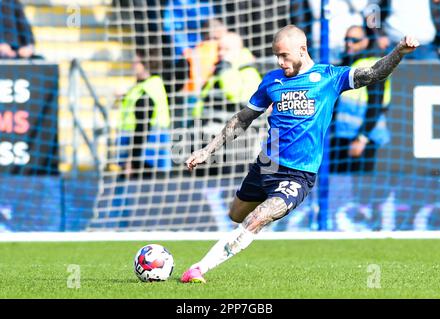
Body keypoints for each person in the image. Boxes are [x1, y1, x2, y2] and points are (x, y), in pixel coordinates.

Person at [180, 24, 419, 283]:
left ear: (302, 50)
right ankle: (251, 218)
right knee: (235, 214)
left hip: (298, 174)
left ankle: (198, 269)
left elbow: (373, 73)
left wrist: (399, 51)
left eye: (284, 55)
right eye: (276, 56)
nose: (280, 62)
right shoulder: (272, 80)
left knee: (256, 219)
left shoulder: (329, 76)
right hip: (267, 165)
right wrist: (208, 149)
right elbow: (243, 118)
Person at [330, 25, 391, 173]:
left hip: (364, 138)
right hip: (343, 135)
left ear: (365, 41)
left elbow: (375, 105)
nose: (349, 43)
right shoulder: (345, 63)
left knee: (361, 187)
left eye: (354, 40)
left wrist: (362, 138)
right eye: (347, 39)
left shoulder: (373, 66)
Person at [117, 54, 172, 178]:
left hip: (146, 158)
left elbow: (142, 127)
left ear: (145, 65)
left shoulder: (147, 89)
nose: (132, 66)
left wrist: (132, 160)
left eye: (136, 63)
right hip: (144, 154)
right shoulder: (144, 86)